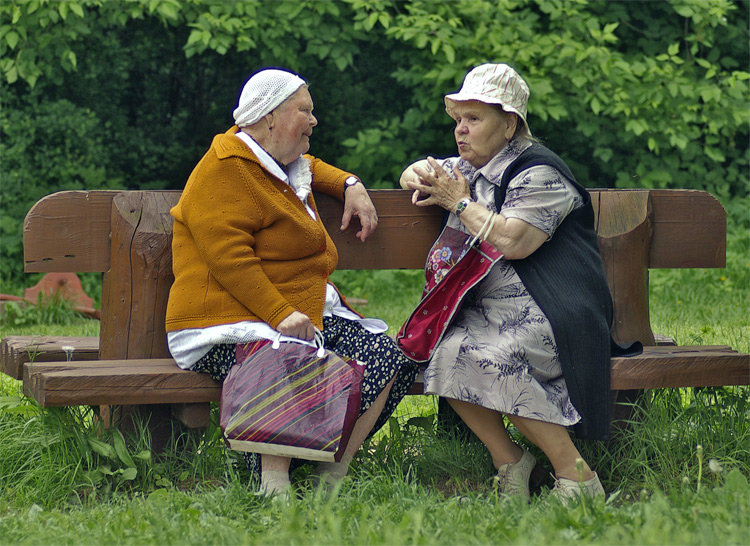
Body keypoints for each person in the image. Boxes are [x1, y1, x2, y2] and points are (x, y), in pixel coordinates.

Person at [166, 68, 417, 499]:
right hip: (225, 319)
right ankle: (274, 481)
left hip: (291, 310)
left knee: (389, 356)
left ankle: (331, 472)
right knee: (284, 351)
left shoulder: (279, 161)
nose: (314, 120)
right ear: (269, 118)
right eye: (305, 111)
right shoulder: (224, 170)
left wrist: (349, 183)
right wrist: (281, 314)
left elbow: (309, 167)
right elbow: (230, 261)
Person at [399, 63, 614, 502]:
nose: (461, 131)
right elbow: (413, 172)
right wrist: (423, 176)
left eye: (474, 119)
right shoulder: (470, 166)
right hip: (494, 310)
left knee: (488, 357)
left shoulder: (541, 173)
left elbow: (514, 241)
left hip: (554, 309)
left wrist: (457, 201)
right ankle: (511, 463)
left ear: (510, 123)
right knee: (442, 351)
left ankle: (579, 478)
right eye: (458, 120)